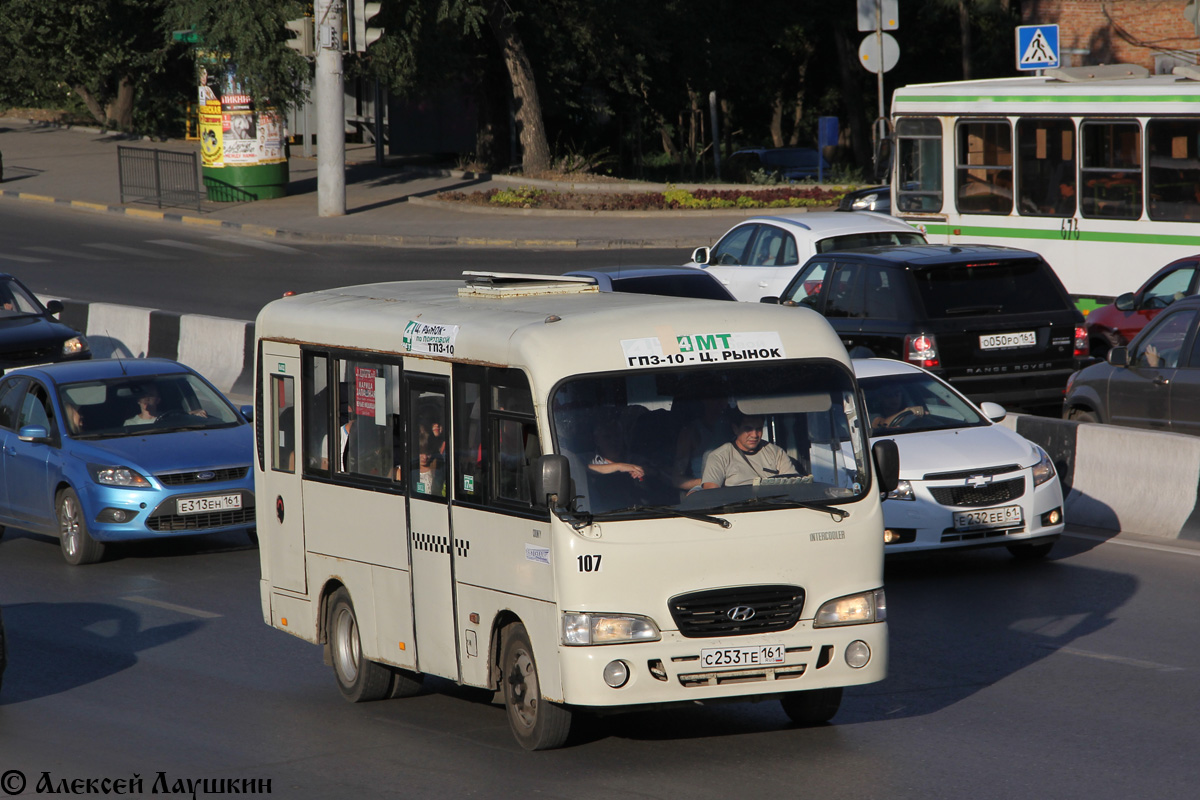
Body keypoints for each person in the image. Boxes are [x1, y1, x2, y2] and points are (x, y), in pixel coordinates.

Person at [698, 411, 803, 490]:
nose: (754, 435)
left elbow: (794, 484)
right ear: (735, 429)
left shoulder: (776, 452)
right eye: (748, 429)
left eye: (759, 429)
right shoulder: (719, 456)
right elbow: (711, 493)